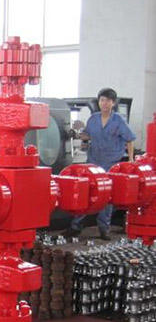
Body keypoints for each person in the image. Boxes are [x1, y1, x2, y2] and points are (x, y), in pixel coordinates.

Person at [66, 88, 136, 240]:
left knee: (106, 197)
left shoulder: (118, 120)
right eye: (102, 100)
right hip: (93, 163)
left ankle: (104, 229)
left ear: (113, 103)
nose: (104, 103)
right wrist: (77, 134)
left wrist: (131, 159)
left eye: (108, 101)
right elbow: (87, 136)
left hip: (111, 164)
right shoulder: (93, 119)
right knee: (85, 193)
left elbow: (130, 139)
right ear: (99, 102)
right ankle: (75, 227)